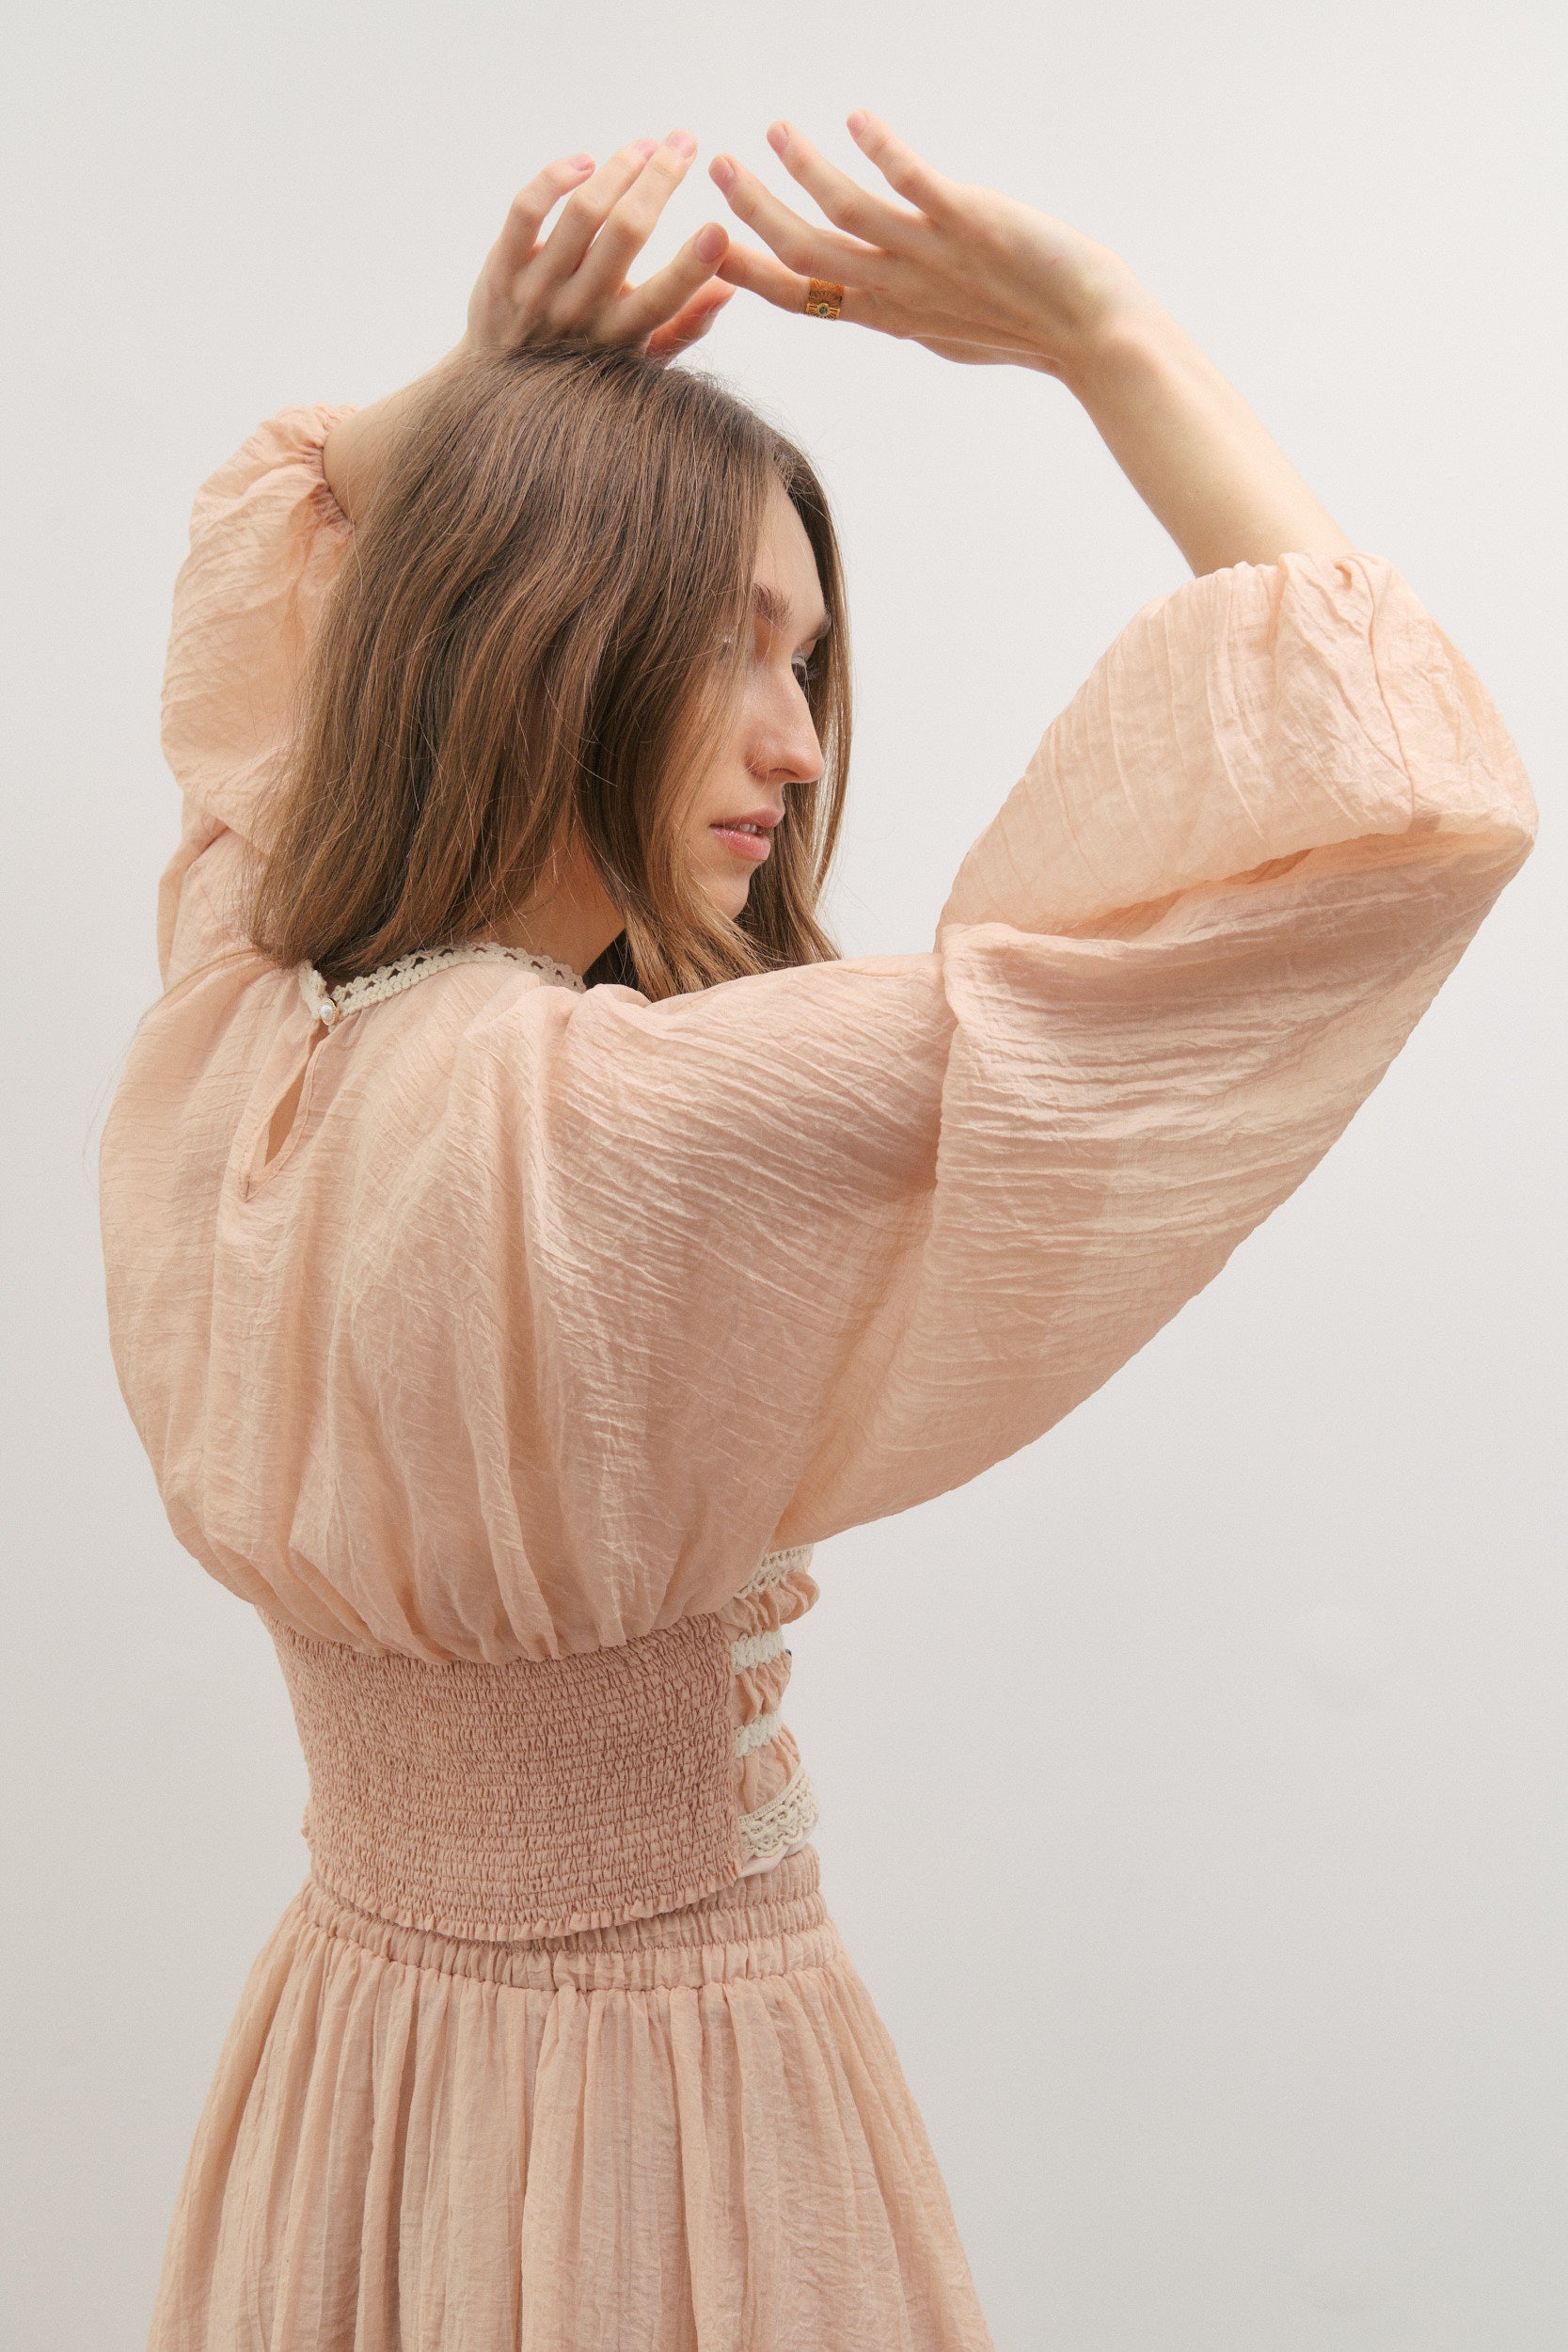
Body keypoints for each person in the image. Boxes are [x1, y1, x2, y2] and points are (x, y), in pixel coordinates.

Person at [99, 112, 1536, 2352]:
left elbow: (260, 533)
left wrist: (476, 395)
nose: (795, 740)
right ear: (552, 637)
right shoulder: (646, 1116)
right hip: (671, 2117)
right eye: (741, 643)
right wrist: (1108, 336)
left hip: (351, 2087)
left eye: (815, 659)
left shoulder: (230, 1042)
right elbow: (1396, 821)